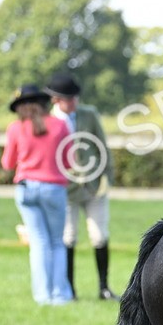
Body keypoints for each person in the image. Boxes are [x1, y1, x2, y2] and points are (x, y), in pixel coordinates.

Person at [44, 71, 117, 301]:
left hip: (93, 185)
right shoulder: (48, 122)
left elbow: (102, 146)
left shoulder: (89, 114)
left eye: (76, 98)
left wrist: (107, 177)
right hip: (65, 189)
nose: (75, 102)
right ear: (56, 100)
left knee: (99, 235)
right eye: (69, 99)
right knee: (68, 236)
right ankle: (70, 289)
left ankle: (104, 287)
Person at [2, 84, 74, 305]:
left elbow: (7, 163)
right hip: (53, 188)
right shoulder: (60, 125)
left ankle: (42, 295)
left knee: (39, 243)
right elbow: (69, 161)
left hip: (26, 188)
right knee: (56, 242)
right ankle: (59, 295)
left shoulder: (15, 128)